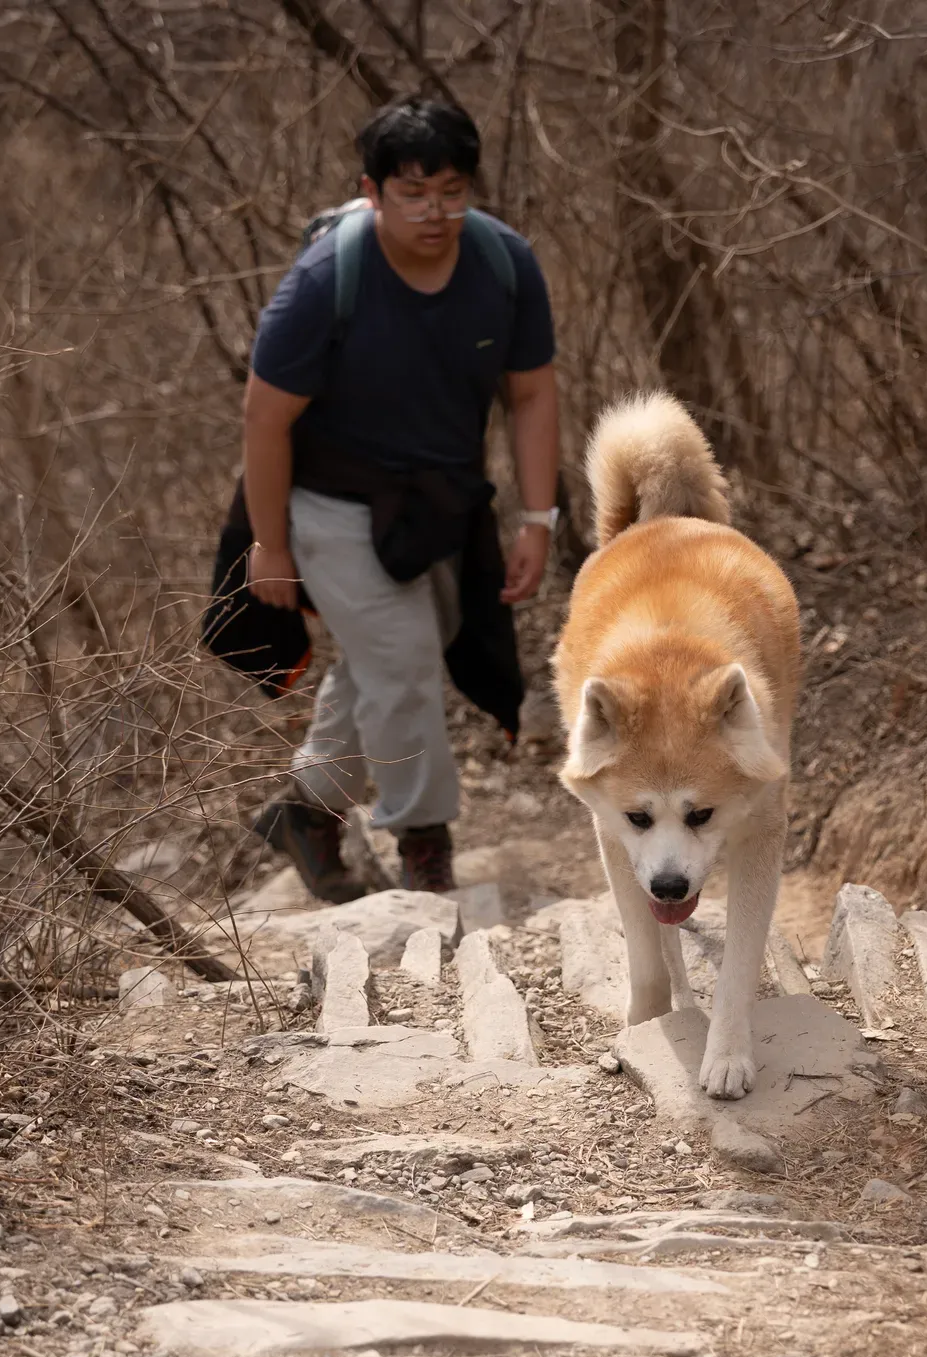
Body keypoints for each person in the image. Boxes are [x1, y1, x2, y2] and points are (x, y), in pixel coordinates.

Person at [241, 97, 559, 902]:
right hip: (332, 505)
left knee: (393, 663)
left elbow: (531, 395)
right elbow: (264, 417)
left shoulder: (504, 265)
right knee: (407, 666)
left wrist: (537, 518)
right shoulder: (324, 283)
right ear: (372, 191)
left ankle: (308, 809)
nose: (435, 211)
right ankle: (424, 844)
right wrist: (269, 544)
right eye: (413, 192)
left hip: (443, 506)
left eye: (452, 190)